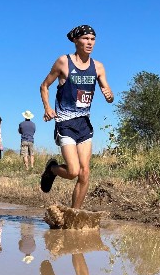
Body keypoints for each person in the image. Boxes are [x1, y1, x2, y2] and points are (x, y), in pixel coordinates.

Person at [40, 25, 114, 209]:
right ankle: (52, 169)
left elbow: (109, 94)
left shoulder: (98, 67)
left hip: (84, 124)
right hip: (65, 123)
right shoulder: (63, 62)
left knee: (85, 173)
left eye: (92, 39)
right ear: (76, 41)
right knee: (73, 171)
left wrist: (109, 95)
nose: (90, 43)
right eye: (86, 39)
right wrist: (48, 108)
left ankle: (75, 213)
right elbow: (44, 86)